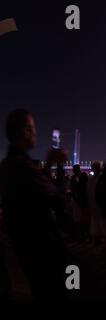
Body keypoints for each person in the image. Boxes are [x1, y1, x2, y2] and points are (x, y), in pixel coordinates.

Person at [0, 109, 67, 299]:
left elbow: (37, 190)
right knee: (61, 289)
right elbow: (58, 200)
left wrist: (47, 165)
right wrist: (61, 167)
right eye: (32, 128)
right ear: (25, 131)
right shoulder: (24, 167)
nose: (35, 133)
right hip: (44, 252)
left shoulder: (7, 165)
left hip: (26, 251)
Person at [87, 161, 102, 245]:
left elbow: (88, 192)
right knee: (99, 222)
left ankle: (94, 240)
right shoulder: (101, 179)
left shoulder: (90, 180)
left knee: (94, 222)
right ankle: (99, 239)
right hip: (99, 204)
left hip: (92, 203)